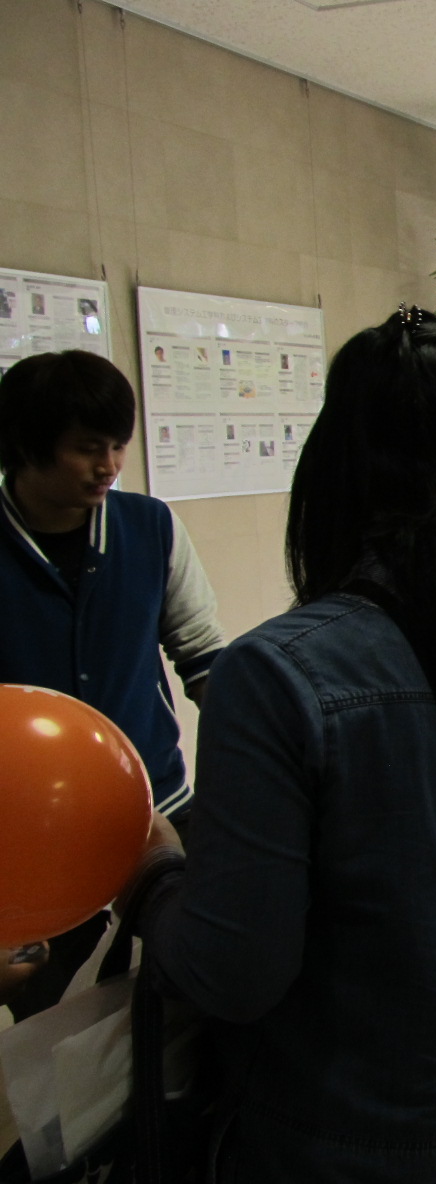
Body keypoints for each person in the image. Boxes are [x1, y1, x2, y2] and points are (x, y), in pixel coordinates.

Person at [119, 308, 436, 1181]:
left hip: (340, 1142)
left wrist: (153, 875)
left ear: (336, 462)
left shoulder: (274, 676)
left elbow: (236, 971)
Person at [0, 349, 224, 1019]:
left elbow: (204, 656)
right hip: (30, 836)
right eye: (87, 448)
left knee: (189, 1001)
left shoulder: (151, 527)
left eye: (118, 446)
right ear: (26, 446)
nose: (109, 465)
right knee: (53, 1028)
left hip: (158, 811)